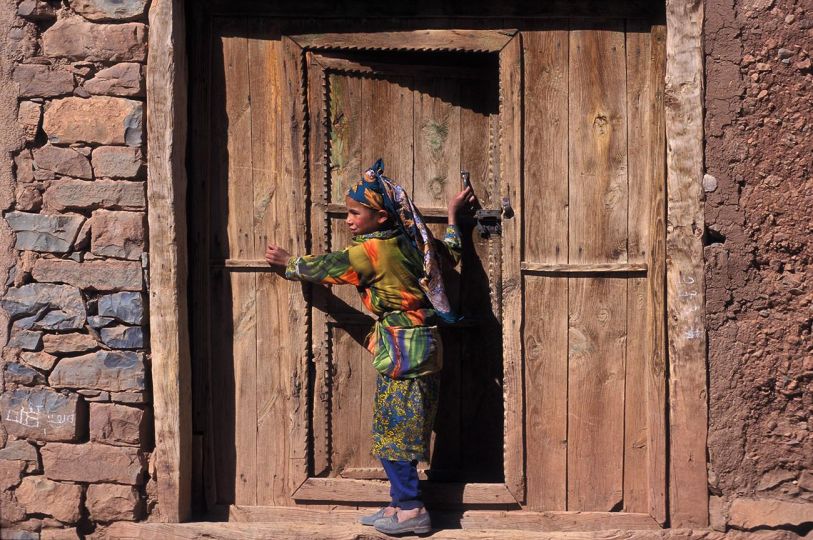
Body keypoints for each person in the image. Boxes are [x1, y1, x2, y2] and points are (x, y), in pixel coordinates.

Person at [265, 159, 475, 535]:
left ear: (380, 217)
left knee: (395, 431)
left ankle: (412, 510)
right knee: (402, 426)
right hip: (422, 344)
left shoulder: (373, 252)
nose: (347, 219)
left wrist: (289, 263)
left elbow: (330, 267)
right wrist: (453, 216)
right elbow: (451, 253)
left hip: (403, 351)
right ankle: (398, 504)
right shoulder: (414, 243)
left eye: (354, 213)